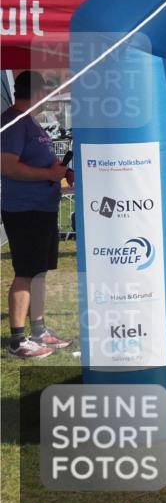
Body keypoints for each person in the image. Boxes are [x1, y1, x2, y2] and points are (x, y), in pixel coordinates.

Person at [1, 71, 72, 359]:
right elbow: (7, 166)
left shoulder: (30, 122)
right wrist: (47, 173)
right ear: (39, 93)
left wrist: (60, 172)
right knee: (26, 272)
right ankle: (18, 339)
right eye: (47, 93)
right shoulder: (14, 122)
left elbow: (36, 162)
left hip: (43, 207)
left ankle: (39, 330)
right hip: (24, 209)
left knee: (39, 271)